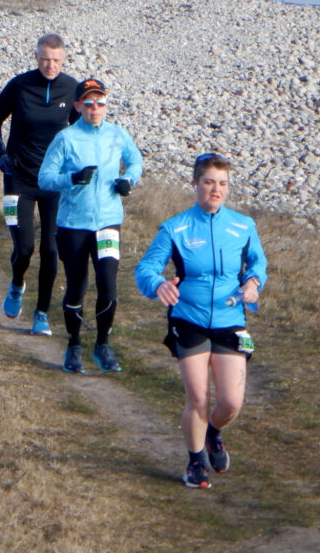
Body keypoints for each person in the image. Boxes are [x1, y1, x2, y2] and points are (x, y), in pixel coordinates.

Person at [134, 153, 267, 489]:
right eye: (209, 182)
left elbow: (257, 265)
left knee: (231, 402)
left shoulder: (243, 226)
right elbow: (145, 269)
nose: (215, 190)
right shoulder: (175, 227)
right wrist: (158, 285)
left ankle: (213, 433)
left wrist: (253, 283)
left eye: (222, 183)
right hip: (188, 318)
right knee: (198, 398)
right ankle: (195, 464)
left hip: (230, 318)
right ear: (195, 184)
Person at [38, 77, 143, 374]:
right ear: (77, 106)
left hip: (108, 222)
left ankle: (102, 344)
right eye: (88, 102)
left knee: (108, 286)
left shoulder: (117, 134)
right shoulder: (66, 138)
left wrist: (127, 181)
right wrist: (71, 178)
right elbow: (45, 178)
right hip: (73, 225)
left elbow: (136, 162)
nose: (95, 108)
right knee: (77, 286)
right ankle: (73, 345)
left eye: (100, 102)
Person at [0, 34, 78, 336]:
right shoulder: (20, 85)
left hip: (54, 183)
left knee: (51, 250)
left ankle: (41, 314)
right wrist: (1, 155)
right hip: (19, 179)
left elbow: (82, 133)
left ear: (63, 60)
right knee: (24, 248)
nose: (50, 65)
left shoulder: (71, 88)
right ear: (36, 57)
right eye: (45, 59)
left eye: (56, 60)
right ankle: (16, 283)